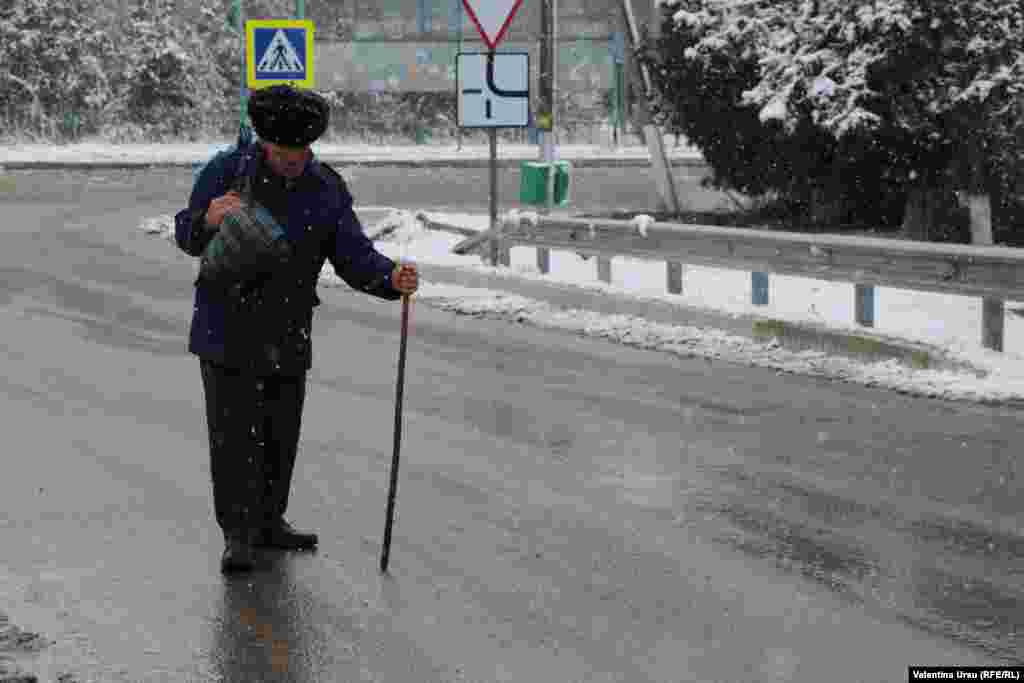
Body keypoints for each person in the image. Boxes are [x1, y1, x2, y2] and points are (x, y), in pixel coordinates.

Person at [174, 85, 418, 574]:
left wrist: (389, 278)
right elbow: (186, 233)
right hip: (227, 328)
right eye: (282, 153)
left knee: (280, 435)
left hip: (288, 327)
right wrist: (207, 219)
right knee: (234, 438)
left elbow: (353, 253)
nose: (291, 162)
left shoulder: (325, 187)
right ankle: (238, 535)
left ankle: (269, 522)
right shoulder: (228, 172)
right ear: (265, 143)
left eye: (299, 153)